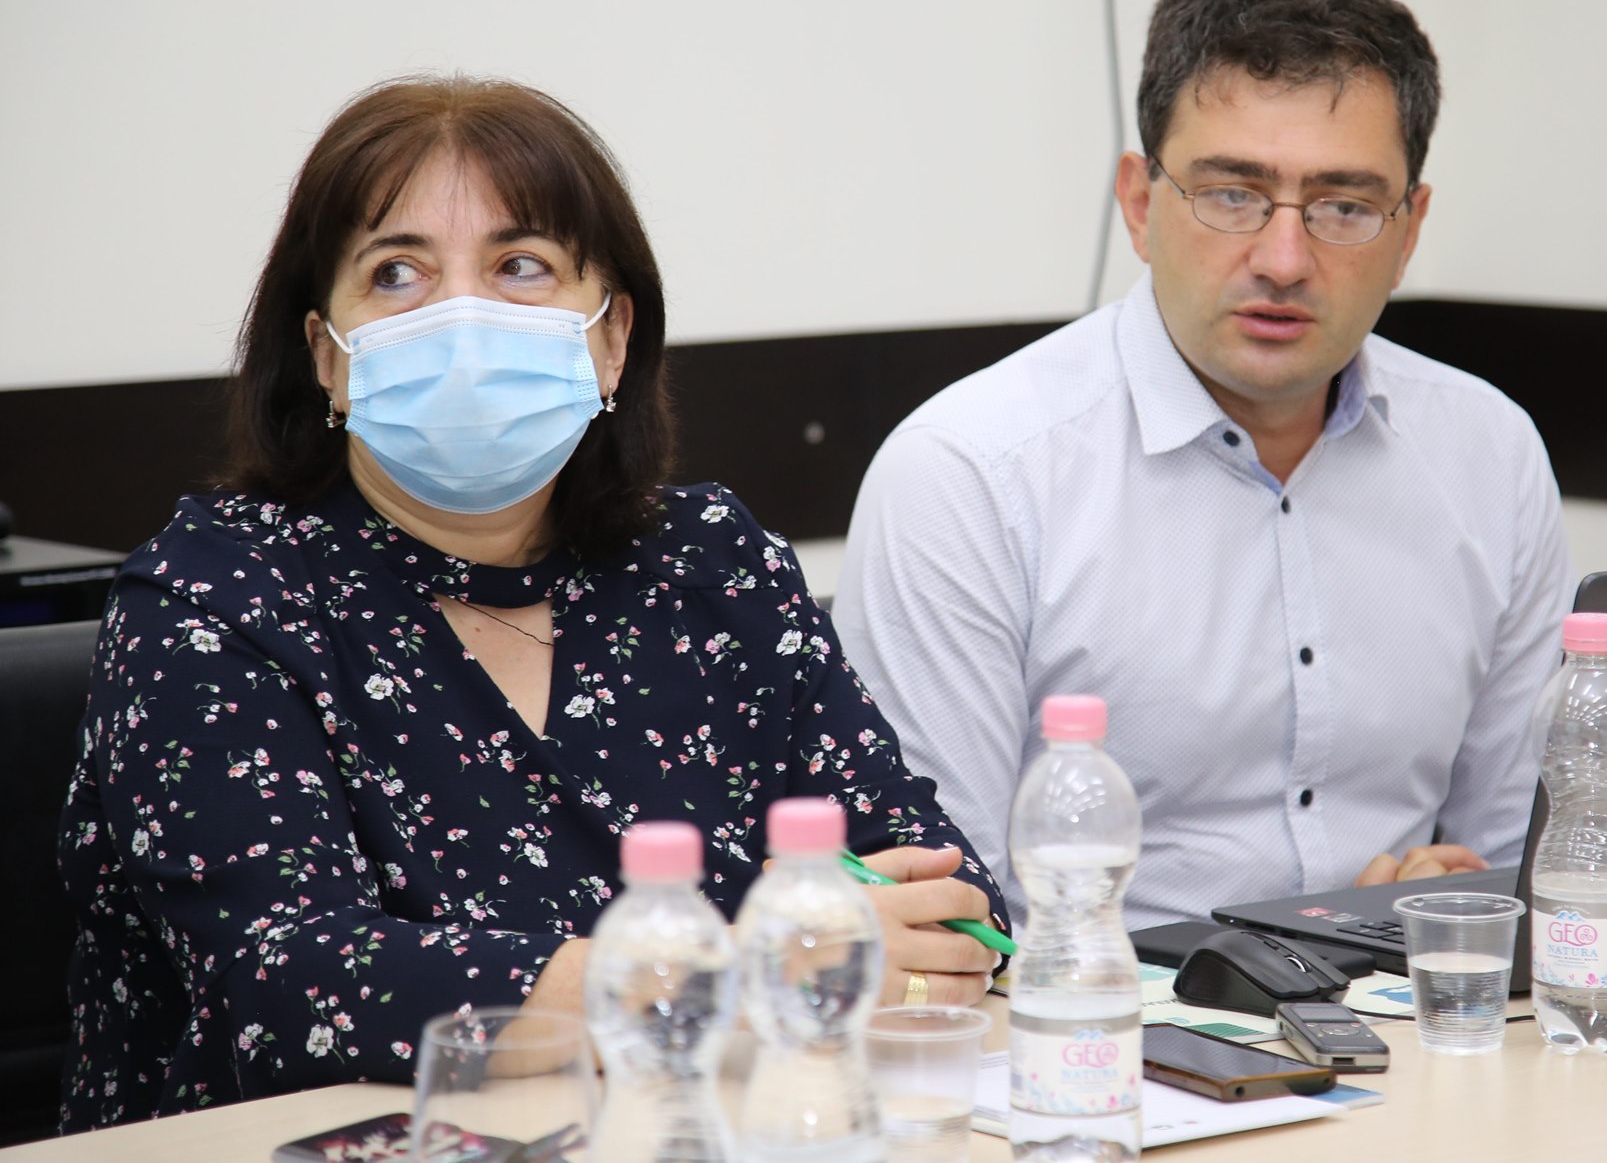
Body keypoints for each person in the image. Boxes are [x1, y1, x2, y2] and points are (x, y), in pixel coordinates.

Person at [58, 77, 1005, 1130]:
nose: (463, 319)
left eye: (521, 266)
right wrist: (734, 975)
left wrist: (895, 939)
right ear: (329, 356)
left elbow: (941, 889)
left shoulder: (712, 563)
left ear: (611, 335)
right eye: (398, 272)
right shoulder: (214, 598)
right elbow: (294, 981)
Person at [836, 0, 1574, 931]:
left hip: (1393, 1008)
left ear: (1408, 231)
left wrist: (1418, 915)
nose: (1283, 258)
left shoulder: (1490, 453)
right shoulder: (969, 475)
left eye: (1344, 206)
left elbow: (1521, 872)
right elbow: (954, 916)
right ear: (1140, 204)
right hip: (1097, 1011)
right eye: (1232, 195)